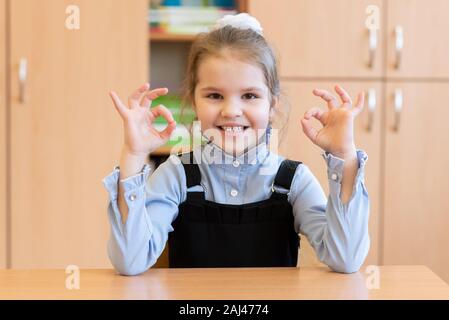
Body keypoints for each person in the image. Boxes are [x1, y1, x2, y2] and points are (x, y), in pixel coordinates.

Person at [103, 13, 370, 276]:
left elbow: (345, 259)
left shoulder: (294, 181)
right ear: (194, 102)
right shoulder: (176, 174)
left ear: (272, 105)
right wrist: (134, 155)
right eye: (215, 95)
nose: (231, 110)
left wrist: (344, 156)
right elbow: (131, 261)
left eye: (250, 95)